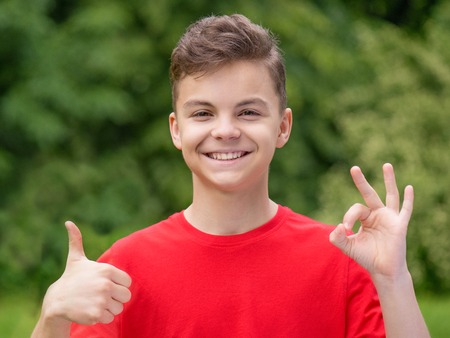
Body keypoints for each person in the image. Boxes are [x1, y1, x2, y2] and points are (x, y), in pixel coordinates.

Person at [31, 14, 429, 337]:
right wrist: (51, 319)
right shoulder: (124, 269)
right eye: (203, 113)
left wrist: (394, 279)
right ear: (176, 129)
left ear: (283, 126)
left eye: (248, 112)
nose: (225, 130)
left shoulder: (341, 264)